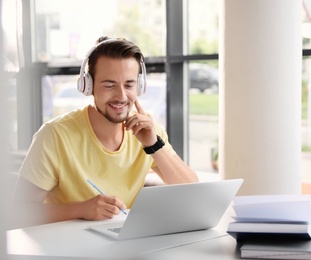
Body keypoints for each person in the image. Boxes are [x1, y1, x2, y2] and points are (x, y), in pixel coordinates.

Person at [12, 36, 198, 228]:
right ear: (88, 86)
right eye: (109, 85)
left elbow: (193, 191)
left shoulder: (148, 130)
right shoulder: (54, 135)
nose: (121, 96)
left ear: (139, 85)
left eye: (129, 85)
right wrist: (81, 209)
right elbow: (18, 212)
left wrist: (154, 146)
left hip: (124, 245)